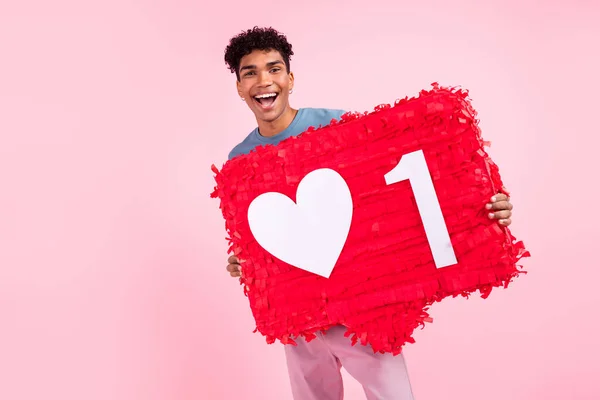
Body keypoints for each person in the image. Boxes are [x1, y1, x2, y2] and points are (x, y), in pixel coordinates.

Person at [222, 26, 514, 400]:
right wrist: (247, 261)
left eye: (274, 68)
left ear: (290, 78)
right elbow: (264, 229)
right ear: (240, 86)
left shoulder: (339, 127)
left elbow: (400, 185)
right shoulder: (239, 161)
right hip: (301, 317)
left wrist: (480, 204)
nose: (264, 80)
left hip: (363, 310)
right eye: (251, 72)